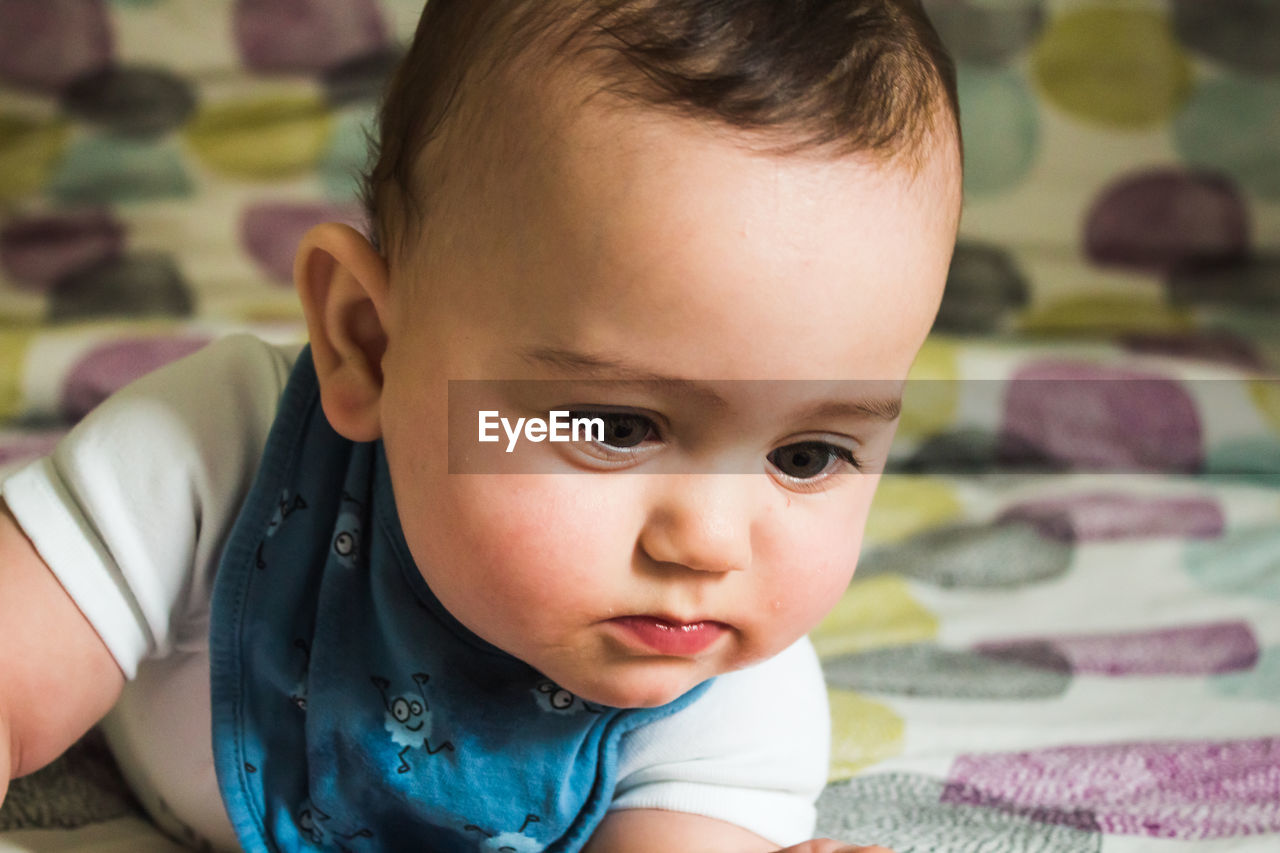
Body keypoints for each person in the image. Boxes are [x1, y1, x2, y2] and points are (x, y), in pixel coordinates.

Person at [0, 1, 961, 850]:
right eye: (618, 427)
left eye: (806, 454)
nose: (708, 543)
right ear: (368, 346)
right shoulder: (213, 447)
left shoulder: (732, 699)